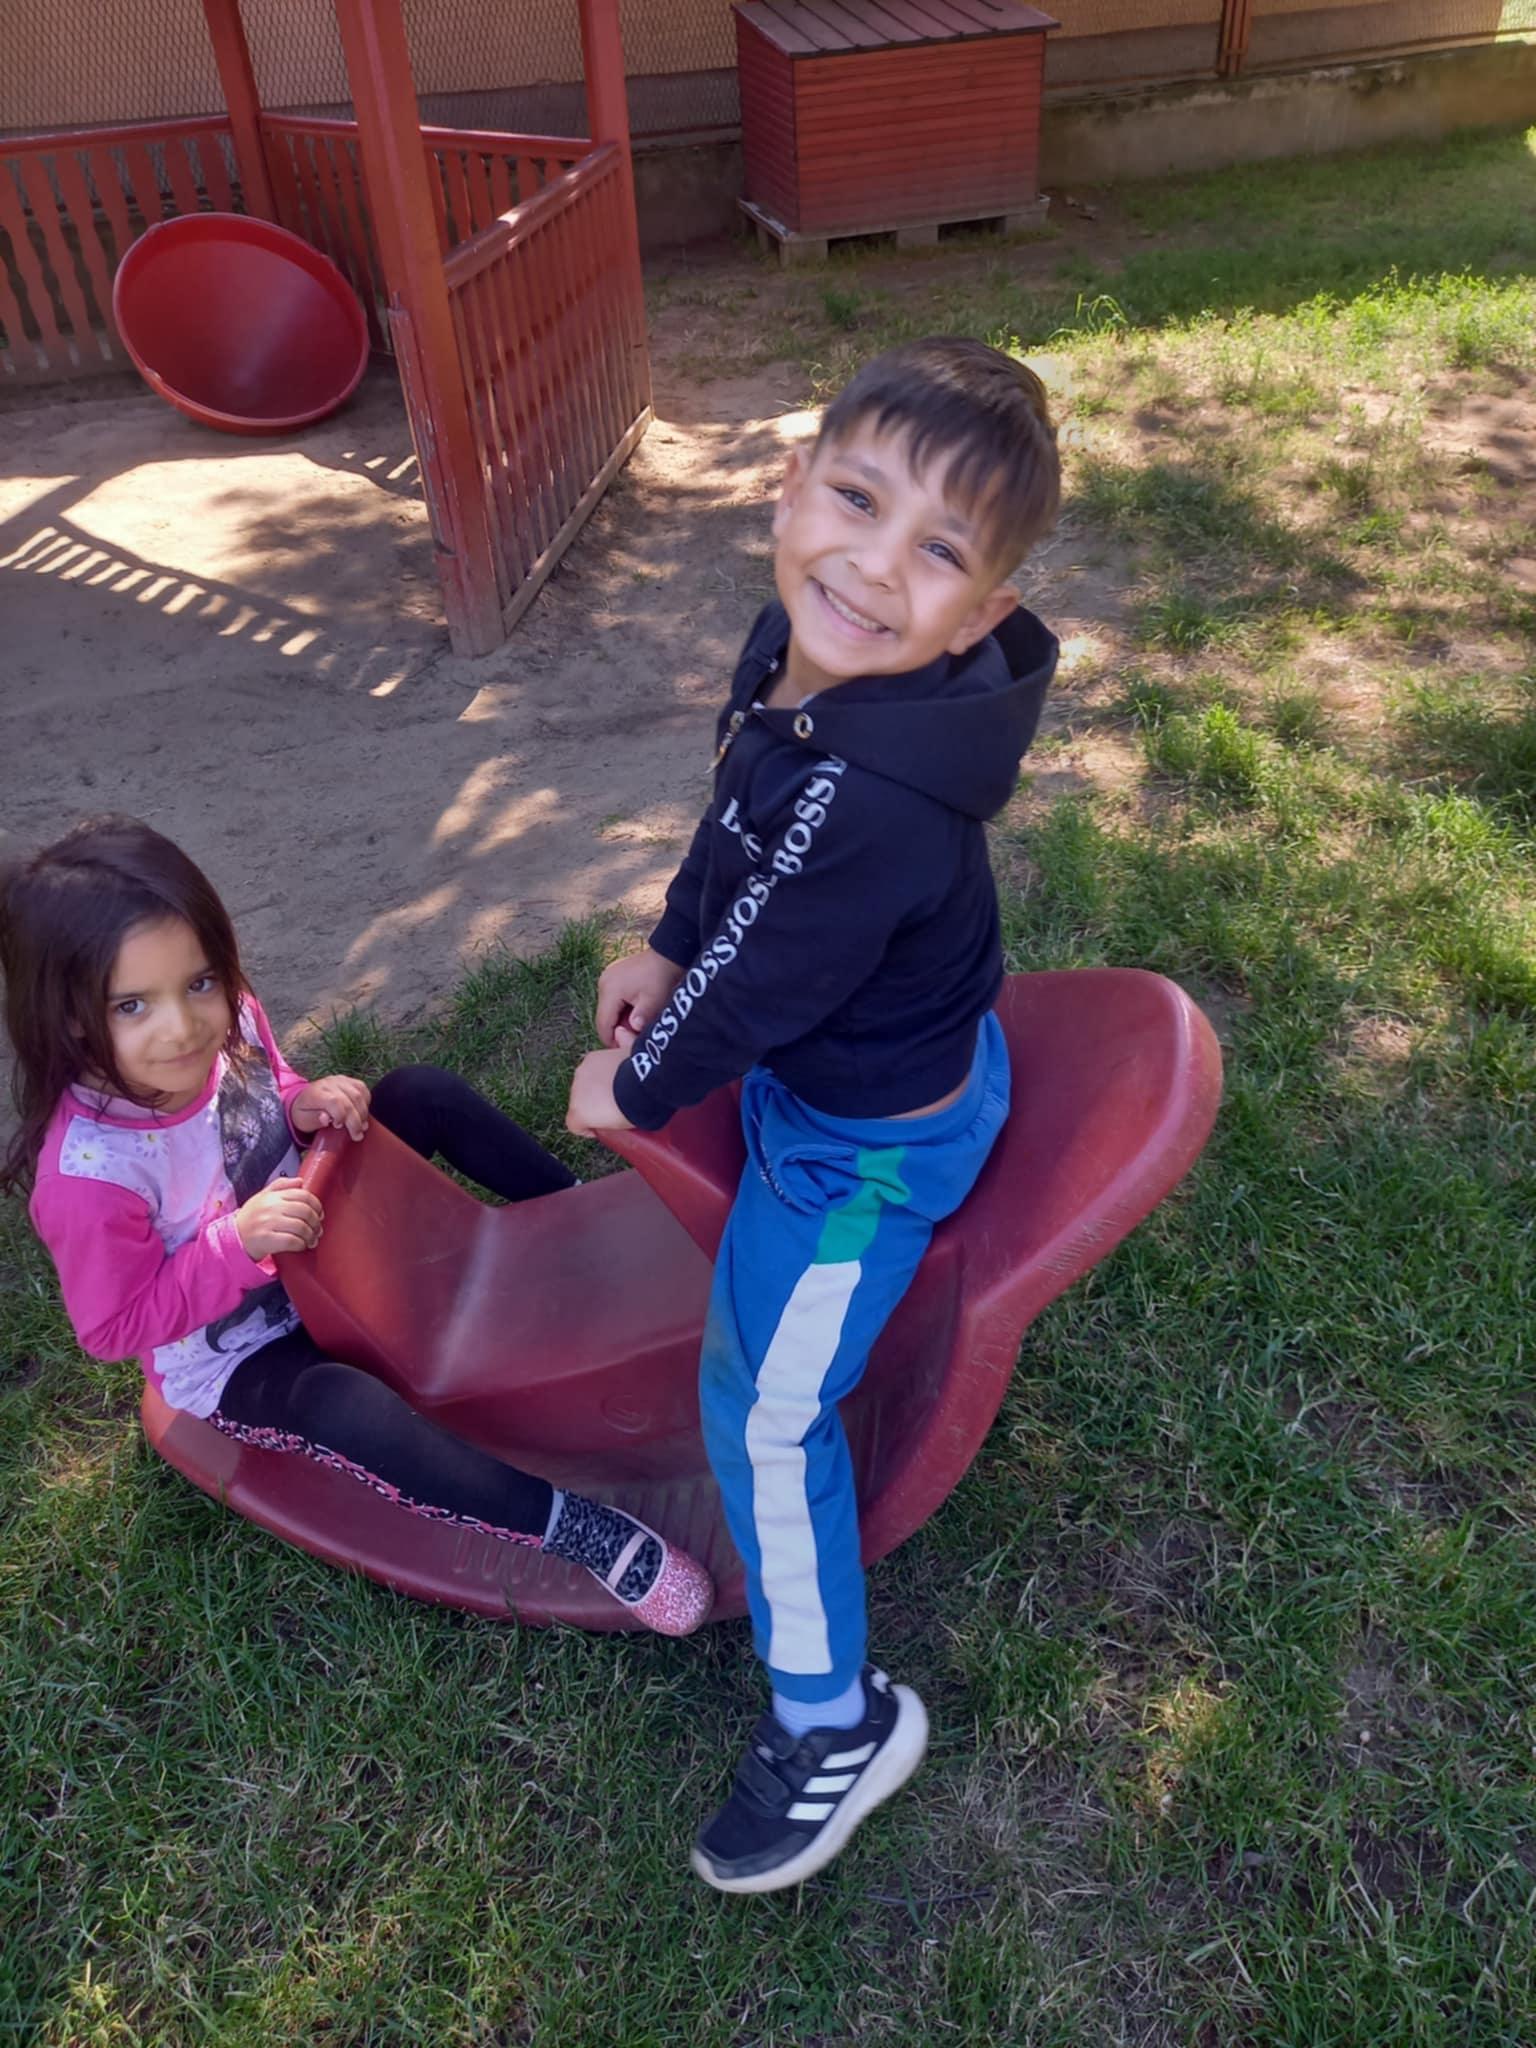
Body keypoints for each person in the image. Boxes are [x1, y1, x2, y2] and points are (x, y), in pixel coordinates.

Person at [565, 337, 1063, 1891]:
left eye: (938, 552)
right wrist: (666, 939)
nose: (873, 566)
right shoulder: (797, 656)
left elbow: (760, 979)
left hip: (865, 1152)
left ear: (979, 613)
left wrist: (639, 1081)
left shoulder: (875, 804)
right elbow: (733, 839)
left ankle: (835, 1722)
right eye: (856, 499)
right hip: (841, 1055)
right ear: (788, 488)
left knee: (765, 1413)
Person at [0, 815, 712, 1637]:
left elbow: (269, 1085)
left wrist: (302, 1103)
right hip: (249, 1346)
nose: (184, 1026)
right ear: (71, 1016)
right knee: (345, 1409)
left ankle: (586, 1217)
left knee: (421, 1094)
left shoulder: (227, 1018)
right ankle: (580, 1532)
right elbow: (114, 1327)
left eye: (198, 982)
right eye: (132, 1004)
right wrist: (234, 1247)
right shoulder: (93, 1178)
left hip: (328, 1234)